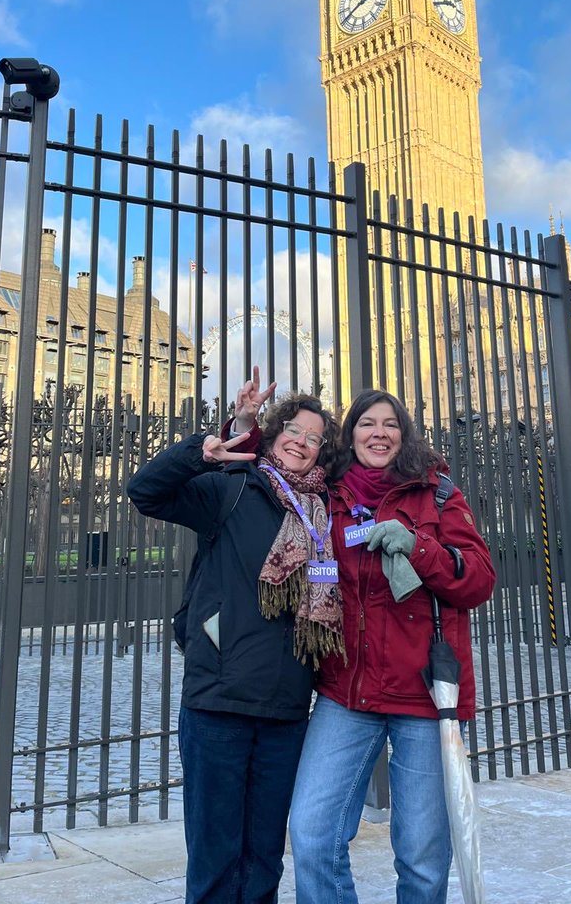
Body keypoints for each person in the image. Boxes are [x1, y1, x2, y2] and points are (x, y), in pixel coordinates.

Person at [128, 369, 341, 904]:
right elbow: (145, 491)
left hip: (287, 706)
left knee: (264, 857)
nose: (303, 442)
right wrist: (213, 442)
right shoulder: (231, 487)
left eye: (315, 438)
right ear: (272, 433)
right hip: (220, 699)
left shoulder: (324, 513)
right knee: (217, 857)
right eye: (294, 428)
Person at [287, 388, 496, 904]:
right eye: (366, 423)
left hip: (424, 696)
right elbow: (272, 464)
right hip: (346, 692)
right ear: (349, 434)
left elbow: (479, 582)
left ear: (403, 435)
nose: (378, 432)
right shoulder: (324, 496)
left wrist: (419, 546)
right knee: (312, 833)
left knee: (422, 858)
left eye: (390, 424)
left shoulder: (437, 493)